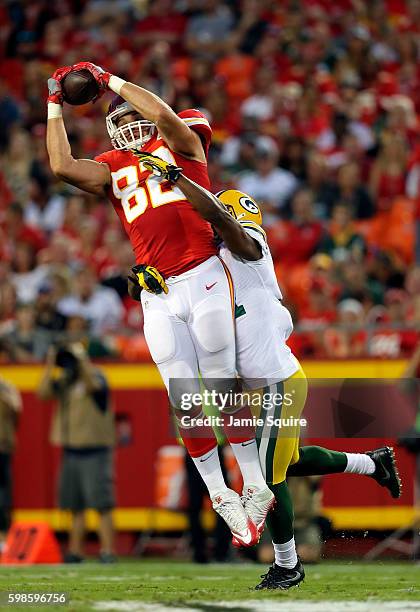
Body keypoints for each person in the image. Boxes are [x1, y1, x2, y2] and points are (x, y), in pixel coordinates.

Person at [129, 152, 401, 589]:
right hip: (249, 388)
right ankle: (370, 463)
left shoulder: (244, 251)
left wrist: (198, 198)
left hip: (278, 380)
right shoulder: (201, 269)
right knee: (285, 462)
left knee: (268, 479)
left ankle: (287, 564)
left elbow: (238, 233)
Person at [45, 62, 274, 546]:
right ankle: (221, 494)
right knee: (183, 396)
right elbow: (63, 166)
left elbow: (167, 119)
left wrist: (109, 81)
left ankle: (254, 484)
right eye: (119, 120)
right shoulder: (111, 165)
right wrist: (53, 105)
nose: (128, 125)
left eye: (133, 116)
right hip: (157, 291)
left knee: (220, 380)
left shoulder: (183, 142)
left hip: (204, 272)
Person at [37, 343, 115, 563]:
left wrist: (82, 361)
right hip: (70, 450)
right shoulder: (65, 380)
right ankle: (75, 552)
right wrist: (51, 364)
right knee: (75, 505)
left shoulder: (97, 375)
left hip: (95, 450)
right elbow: (42, 393)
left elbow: (94, 387)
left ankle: (108, 551)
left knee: (102, 504)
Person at [0, 376, 21, 550]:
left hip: (2, 448)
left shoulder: (6, 387)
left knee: (4, 497)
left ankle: (5, 538)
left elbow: (15, 410)